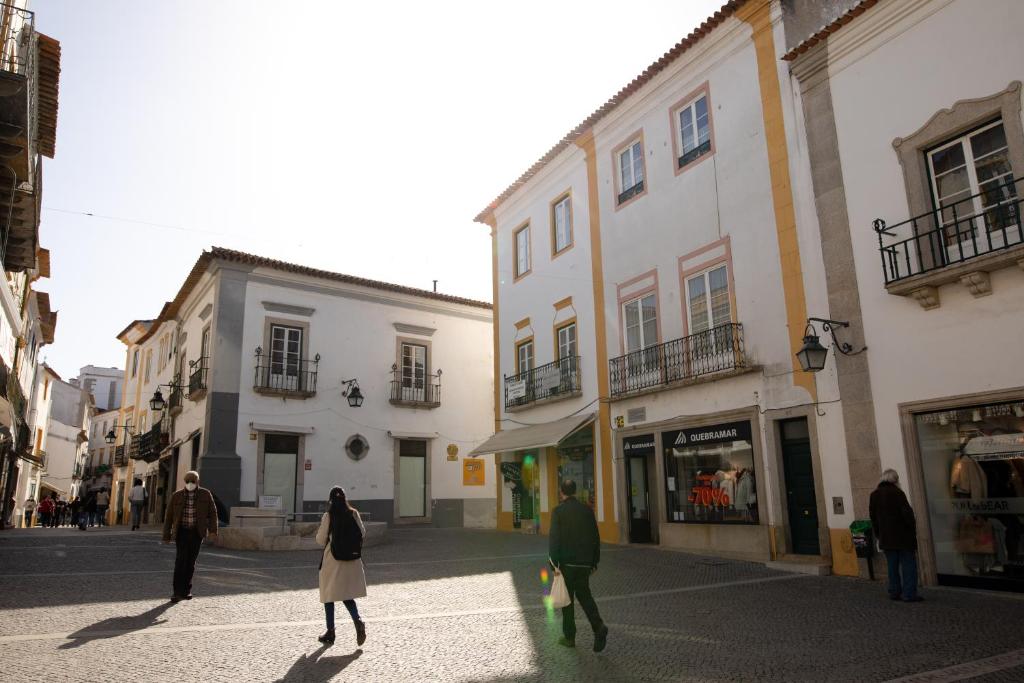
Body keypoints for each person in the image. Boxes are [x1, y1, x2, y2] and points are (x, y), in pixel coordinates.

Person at [549, 479, 608, 652]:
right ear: (575, 491)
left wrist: (554, 563)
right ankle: (598, 627)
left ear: (562, 492)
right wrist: (594, 562)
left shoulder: (558, 511)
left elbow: (554, 540)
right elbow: (595, 537)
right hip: (584, 564)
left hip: (567, 564)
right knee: (585, 596)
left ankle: (569, 637)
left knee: (567, 601)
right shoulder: (587, 510)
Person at [315, 486, 367, 646]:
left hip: (333, 561)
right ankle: (357, 621)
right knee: (346, 595)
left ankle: (330, 631)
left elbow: (320, 539)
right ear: (345, 498)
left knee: (328, 595)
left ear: (330, 500)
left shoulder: (328, 516)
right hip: (351, 561)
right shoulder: (353, 513)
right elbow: (363, 532)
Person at [162, 471, 218, 602]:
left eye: (192, 481)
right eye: (187, 481)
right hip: (181, 532)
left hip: (196, 533)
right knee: (180, 561)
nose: (190, 484)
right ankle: (176, 592)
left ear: (197, 481)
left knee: (190, 563)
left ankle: (186, 590)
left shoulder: (205, 494)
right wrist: (166, 535)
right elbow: (169, 516)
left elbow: (213, 512)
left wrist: (213, 531)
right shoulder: (176, 496)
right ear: (184, 482)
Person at [869, 468, 923, 603]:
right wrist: (912, 530)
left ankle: (894, 591)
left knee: (892, 567)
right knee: (908, 566)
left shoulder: (874, 495)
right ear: (895, 480)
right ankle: (909, 593)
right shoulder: (898, 493)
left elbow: (873, 518)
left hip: (886, 537)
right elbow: (908, 515)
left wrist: (878, 534)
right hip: (903, 537)